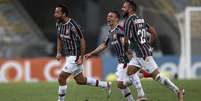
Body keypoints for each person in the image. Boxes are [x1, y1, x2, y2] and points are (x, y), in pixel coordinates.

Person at [121, 0, 184, 101]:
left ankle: (178, 91)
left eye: (124, 7)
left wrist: (125, 51)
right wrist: (147, 45)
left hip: (142, 54)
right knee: (130, 72)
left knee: (157, 77)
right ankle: (141, 95)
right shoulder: (140, 19)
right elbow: (153, 32)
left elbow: (125, 41)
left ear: (131, 8)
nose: (122, 9)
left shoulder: (128, 21)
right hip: (139, 53)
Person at [54, 4, 112, 101]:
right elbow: (59, 37)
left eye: (57, 12)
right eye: (55, 12)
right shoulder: (58, 24)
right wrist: (58, 52)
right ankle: (106, 85)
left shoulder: (73, 25)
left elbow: (82, 40)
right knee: (80, 80)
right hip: (69, 56)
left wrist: (81, 57)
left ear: (64, 14)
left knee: (61, 78)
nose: (55, 14)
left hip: (75, 56)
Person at [85, 11, 147, 101]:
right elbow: (103, 45)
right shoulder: (111, 32)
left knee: (122, 83)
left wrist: (129, 52)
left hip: (127, 60)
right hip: (121, 61)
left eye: (111, 16)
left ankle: (141, 91)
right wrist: (91, 53)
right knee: (121, 85)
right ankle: (138, 81)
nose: (108, 18)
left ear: (117, 19)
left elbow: (127, 40)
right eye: (108, 16)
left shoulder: (119, 30)